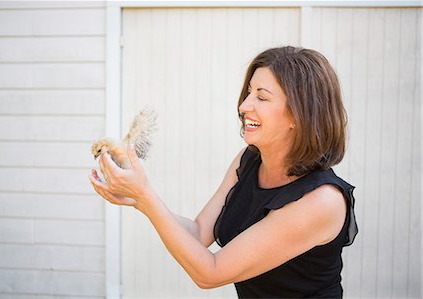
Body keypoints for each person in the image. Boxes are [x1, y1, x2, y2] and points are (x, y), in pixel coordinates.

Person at [89, 46, 358, 298]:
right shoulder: (249, 161)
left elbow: (211, 272)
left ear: (299, 115)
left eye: (262, 97)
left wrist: (145, 196)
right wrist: (139, 199)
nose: (244, 106)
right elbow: (197, 234)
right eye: (249, 93)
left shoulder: (322, 201)